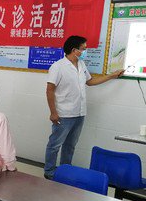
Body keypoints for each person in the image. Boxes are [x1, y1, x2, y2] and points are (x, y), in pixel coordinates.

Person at [44, 35, 124, 179]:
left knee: (70, 145)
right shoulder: (58, 67)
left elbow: (90, 81)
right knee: (55, 144)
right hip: (63, 114)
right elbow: (50, 90)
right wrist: (53, 112)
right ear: (74, 50)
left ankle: (65, 170)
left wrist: (111, 76)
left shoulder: (81, 64)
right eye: (83, 49)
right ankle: (49, 172)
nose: (85, 52)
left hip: (79, 113)